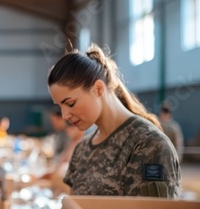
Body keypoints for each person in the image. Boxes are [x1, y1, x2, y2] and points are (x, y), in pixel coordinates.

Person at [47, 44, 181, 197]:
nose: (65, 116)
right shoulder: (82, 150)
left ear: (98, 89)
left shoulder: (149, 146)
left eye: (70, 103)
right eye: (60, 106)